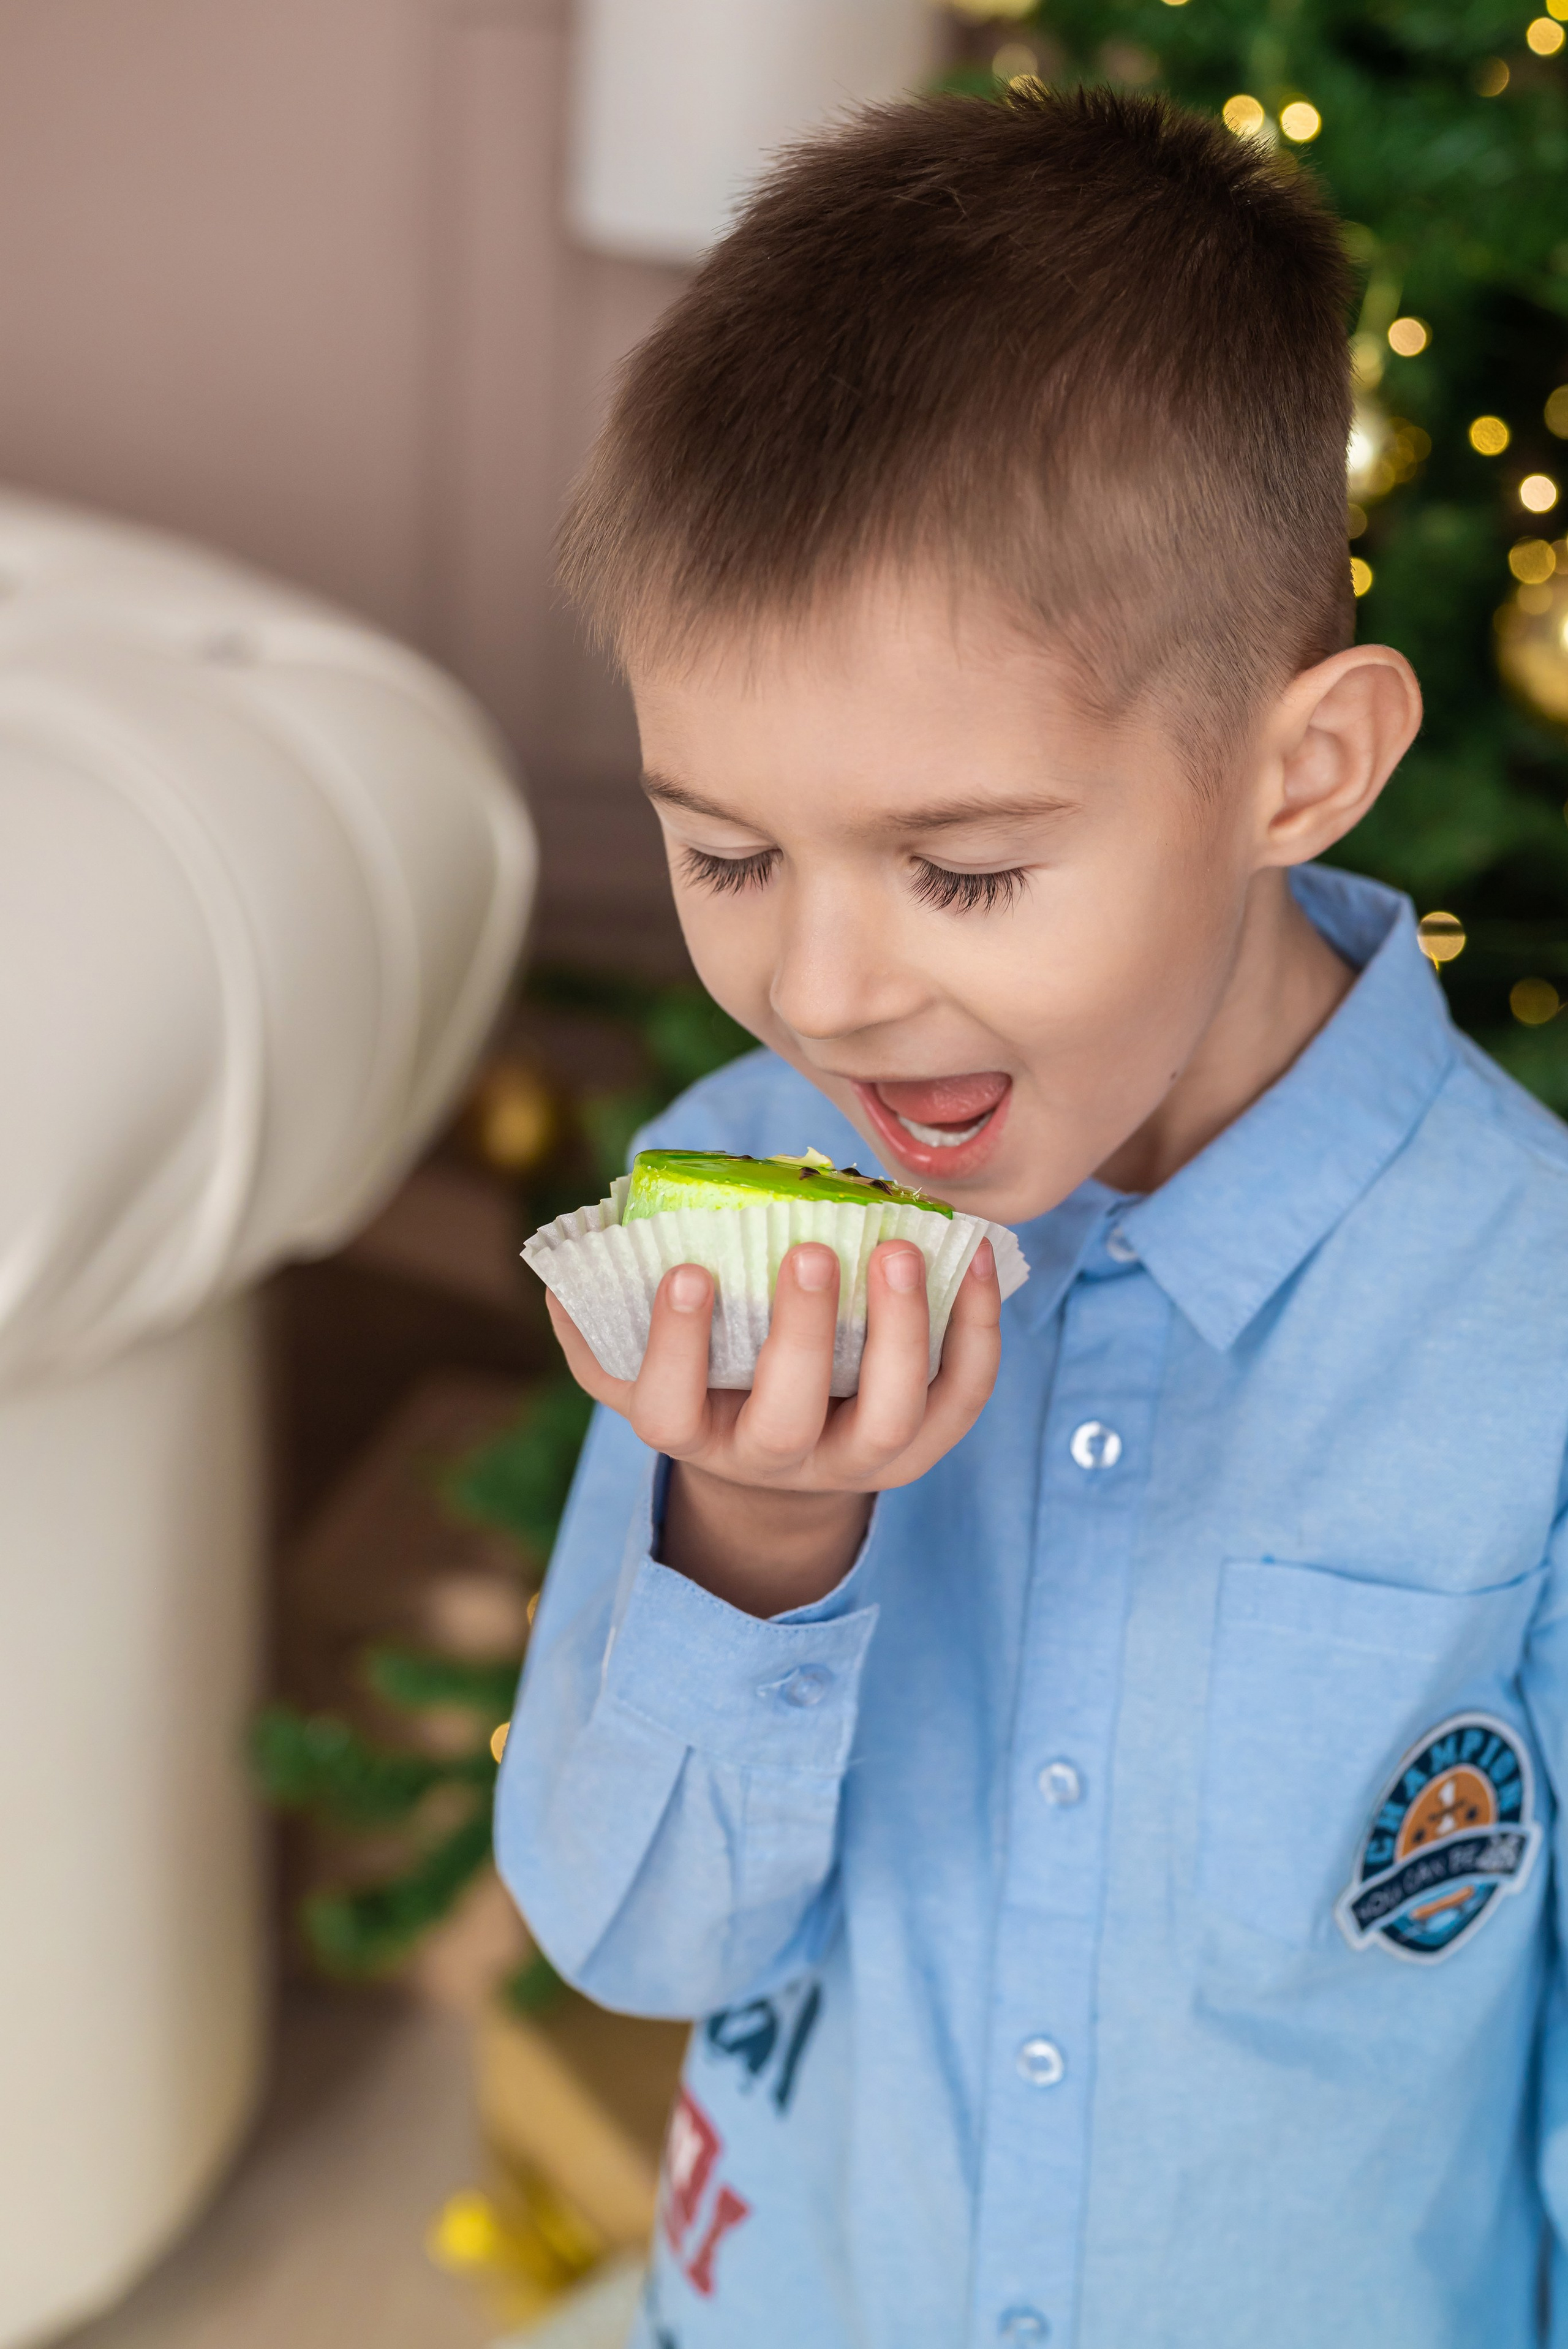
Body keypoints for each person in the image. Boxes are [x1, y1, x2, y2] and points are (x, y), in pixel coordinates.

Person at [496, 87, 1568, 2349]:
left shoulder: (1531, 1324)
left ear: (1303, 768)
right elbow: (637, 1940)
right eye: (727, 852)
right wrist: (749, 1538)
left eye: (966, 870)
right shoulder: (732, 1194)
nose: (821, 990)